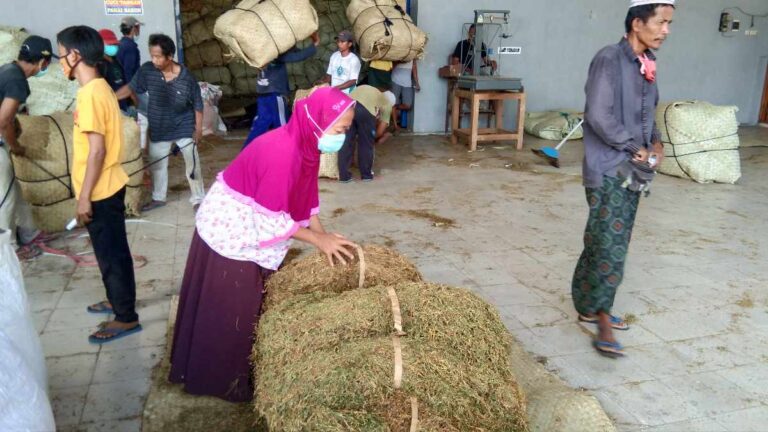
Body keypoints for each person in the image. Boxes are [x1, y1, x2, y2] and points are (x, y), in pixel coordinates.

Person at [169, 87, 358, 402]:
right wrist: (317, 241)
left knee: (253, 297)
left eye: (345, 130)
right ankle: (217, 379)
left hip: (254, 218)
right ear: (318, 120)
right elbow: (271, 218)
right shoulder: (283, 152)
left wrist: (323, 237)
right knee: (234, 307)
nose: (342, 137)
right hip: (231, 228)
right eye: (340, 130)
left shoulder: (307, 145)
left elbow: (306, 200)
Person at [571, 0, 674, 358]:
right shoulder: (609, 59)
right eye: (661, 22)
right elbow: (598, 115)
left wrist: (656, 143)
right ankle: (601, 319)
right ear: (636, 23)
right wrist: (636, 148)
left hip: (634, 170)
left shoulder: (648, 64)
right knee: (610, 247)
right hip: (610, 166)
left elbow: (648, 112)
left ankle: (586, 304)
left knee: (603, 238)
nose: (666, 30)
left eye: (668, 23)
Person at [56, 25, 141, 343]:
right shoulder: (99, 88)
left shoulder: (91, 94)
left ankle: (126, 317)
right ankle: (117, 300)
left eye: (61, 54)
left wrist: (84, 199)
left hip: (101, 190)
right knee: (112, 250)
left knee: (111, 254)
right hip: (107, 184)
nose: (60, 61)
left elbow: (97, 150)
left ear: (75, 55)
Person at [116, 34, 205, 212]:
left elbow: (197, 104)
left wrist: (198, 129)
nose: (154, 60)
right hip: (159, 126)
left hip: (184, 125)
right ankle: (158, 197)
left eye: (158, 56)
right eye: (152, 55)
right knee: (157, 164)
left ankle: (198, 198)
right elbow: (131, 88)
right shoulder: (147, 71)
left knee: (192, 162)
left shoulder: (186, 78)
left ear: (170, 56)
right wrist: (110, 97)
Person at [0, 36, 54, 260]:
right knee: (5, 196)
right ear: (43, 62)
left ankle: (30, 232)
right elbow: (4, 121)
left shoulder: (8, 69)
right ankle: (8, 249)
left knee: (17, 190)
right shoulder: (16, 80)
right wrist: (15, 146)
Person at [242, 31, 320, 148]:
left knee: (260, 124)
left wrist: (292, 45)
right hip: (275, 93)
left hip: (263, 93)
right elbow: (297, 56)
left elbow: (291, 52)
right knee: (283, 124)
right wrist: (315, 44)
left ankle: (247, 150)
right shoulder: (275, 54)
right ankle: (287, 150)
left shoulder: (261, 52)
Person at [338, 85, 395, 183]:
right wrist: (373, 136)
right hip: (364, 110)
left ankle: (344, 176)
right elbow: (380, 131)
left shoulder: (374, 91)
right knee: (365, 143)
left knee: (346, 141)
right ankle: (366, 175)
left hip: (348, 107)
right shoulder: (387, 104)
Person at [318, 30, 360, 94]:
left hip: (347, 93)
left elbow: (353, 81)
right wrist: (322, 82)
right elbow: (329, 75)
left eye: (342, 42)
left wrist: (336, 88)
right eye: (338, 41)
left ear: (349, 44)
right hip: (334, 91)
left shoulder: (354, 60)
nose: (339, 44)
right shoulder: (334, 56)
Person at [97, 29, 128, 111]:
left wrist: (130, 104)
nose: (113, 46)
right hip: (110, 109)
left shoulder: (116, 61)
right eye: (110, 44)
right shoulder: (98, 66)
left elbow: (124, 83)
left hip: (123, 106)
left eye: (114, 44)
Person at [391, 59, 420, 131]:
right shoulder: (400, 51)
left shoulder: (413, 53)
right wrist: (399, 61)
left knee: (408, 105)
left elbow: (414, 67)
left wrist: (417, 82)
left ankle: (394, 108)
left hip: (407, 82)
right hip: (395, 80)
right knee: (393, 103)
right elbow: (390, 67)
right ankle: (395, 126)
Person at [117, 16, 142, 84]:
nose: (139, 30)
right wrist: (131, 91)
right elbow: (128, 71)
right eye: (138, 27)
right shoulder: (130, 47)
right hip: (131, 86)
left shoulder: (121, 43)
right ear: (133, 28)